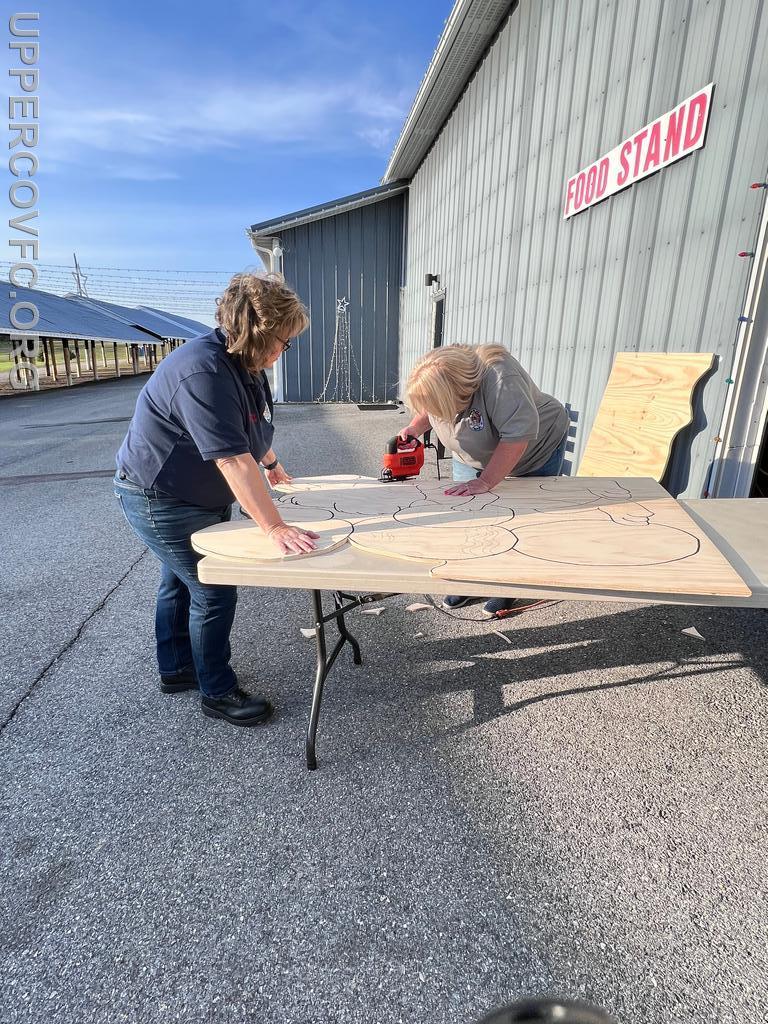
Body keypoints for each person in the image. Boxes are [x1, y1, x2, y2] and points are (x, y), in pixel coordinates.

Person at [114, 272, 318, 726]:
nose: (284, 352)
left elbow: (249, 426)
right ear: (257, 333)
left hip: (192, 494)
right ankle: (217, 692)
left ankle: (177, 669)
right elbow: (231, 460)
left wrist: (272, 464)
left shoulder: (245, 363)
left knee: (178, 581)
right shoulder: (203, 371)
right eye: (284, 341)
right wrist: (274, 527)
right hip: (160, 496)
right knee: (212, 587)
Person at [400, 344, 569, 618]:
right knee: (468, 518)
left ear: (459, 394)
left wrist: (486, 481)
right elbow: (431, 406)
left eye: (437, 407)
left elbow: (517, 438)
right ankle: (470, 577)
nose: (434, 413)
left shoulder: (501, 378)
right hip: (475, 452)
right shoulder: (445, 378)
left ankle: (508, 583)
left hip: (533, 450)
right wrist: (415, 427)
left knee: (516, 521)